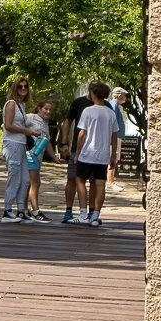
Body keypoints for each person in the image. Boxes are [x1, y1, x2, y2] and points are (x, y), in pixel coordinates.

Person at [71, 79, 119, 227]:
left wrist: (77, 153)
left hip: (87, 153)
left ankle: (83, 213)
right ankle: (95, 215)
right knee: (100, 184)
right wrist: (113, 155)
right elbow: (114, 136)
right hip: (102, 155)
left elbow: (81, 134)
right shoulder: (110, 113)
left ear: (93, 94)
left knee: (80, 180)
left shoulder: (88, 111)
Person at [1, 76, 32, 223]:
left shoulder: (22, 105)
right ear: (15, 88)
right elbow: (8, 125)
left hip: (21, 144)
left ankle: (21, 209)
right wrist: (27, 131)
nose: (23, 89)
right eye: (21, 86)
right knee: (14, 177)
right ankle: (7, 210)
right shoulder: (11, 104)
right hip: (12, 143)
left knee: (25, 178)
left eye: (25, 87)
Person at [60, 87, 92, 223]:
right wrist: (64, 142)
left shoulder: (105, 105)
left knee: (94, 181)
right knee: (71, 178)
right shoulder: (78, 102)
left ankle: (92, 212)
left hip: (93, 150)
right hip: (76, 147)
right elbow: (67, 121)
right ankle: (68, 210)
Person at [23, 97, 55, 220]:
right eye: (46, 109)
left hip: (38, 157)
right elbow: (15, 125)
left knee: (28, 184)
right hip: (30, 155)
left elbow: (47, 143)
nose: (48, 112)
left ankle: (24, 210)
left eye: (50, 110)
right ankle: (35, 211)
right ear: (39, 108)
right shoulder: (31, 117)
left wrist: (55, 158)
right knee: (35, 183)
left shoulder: (45, 124)